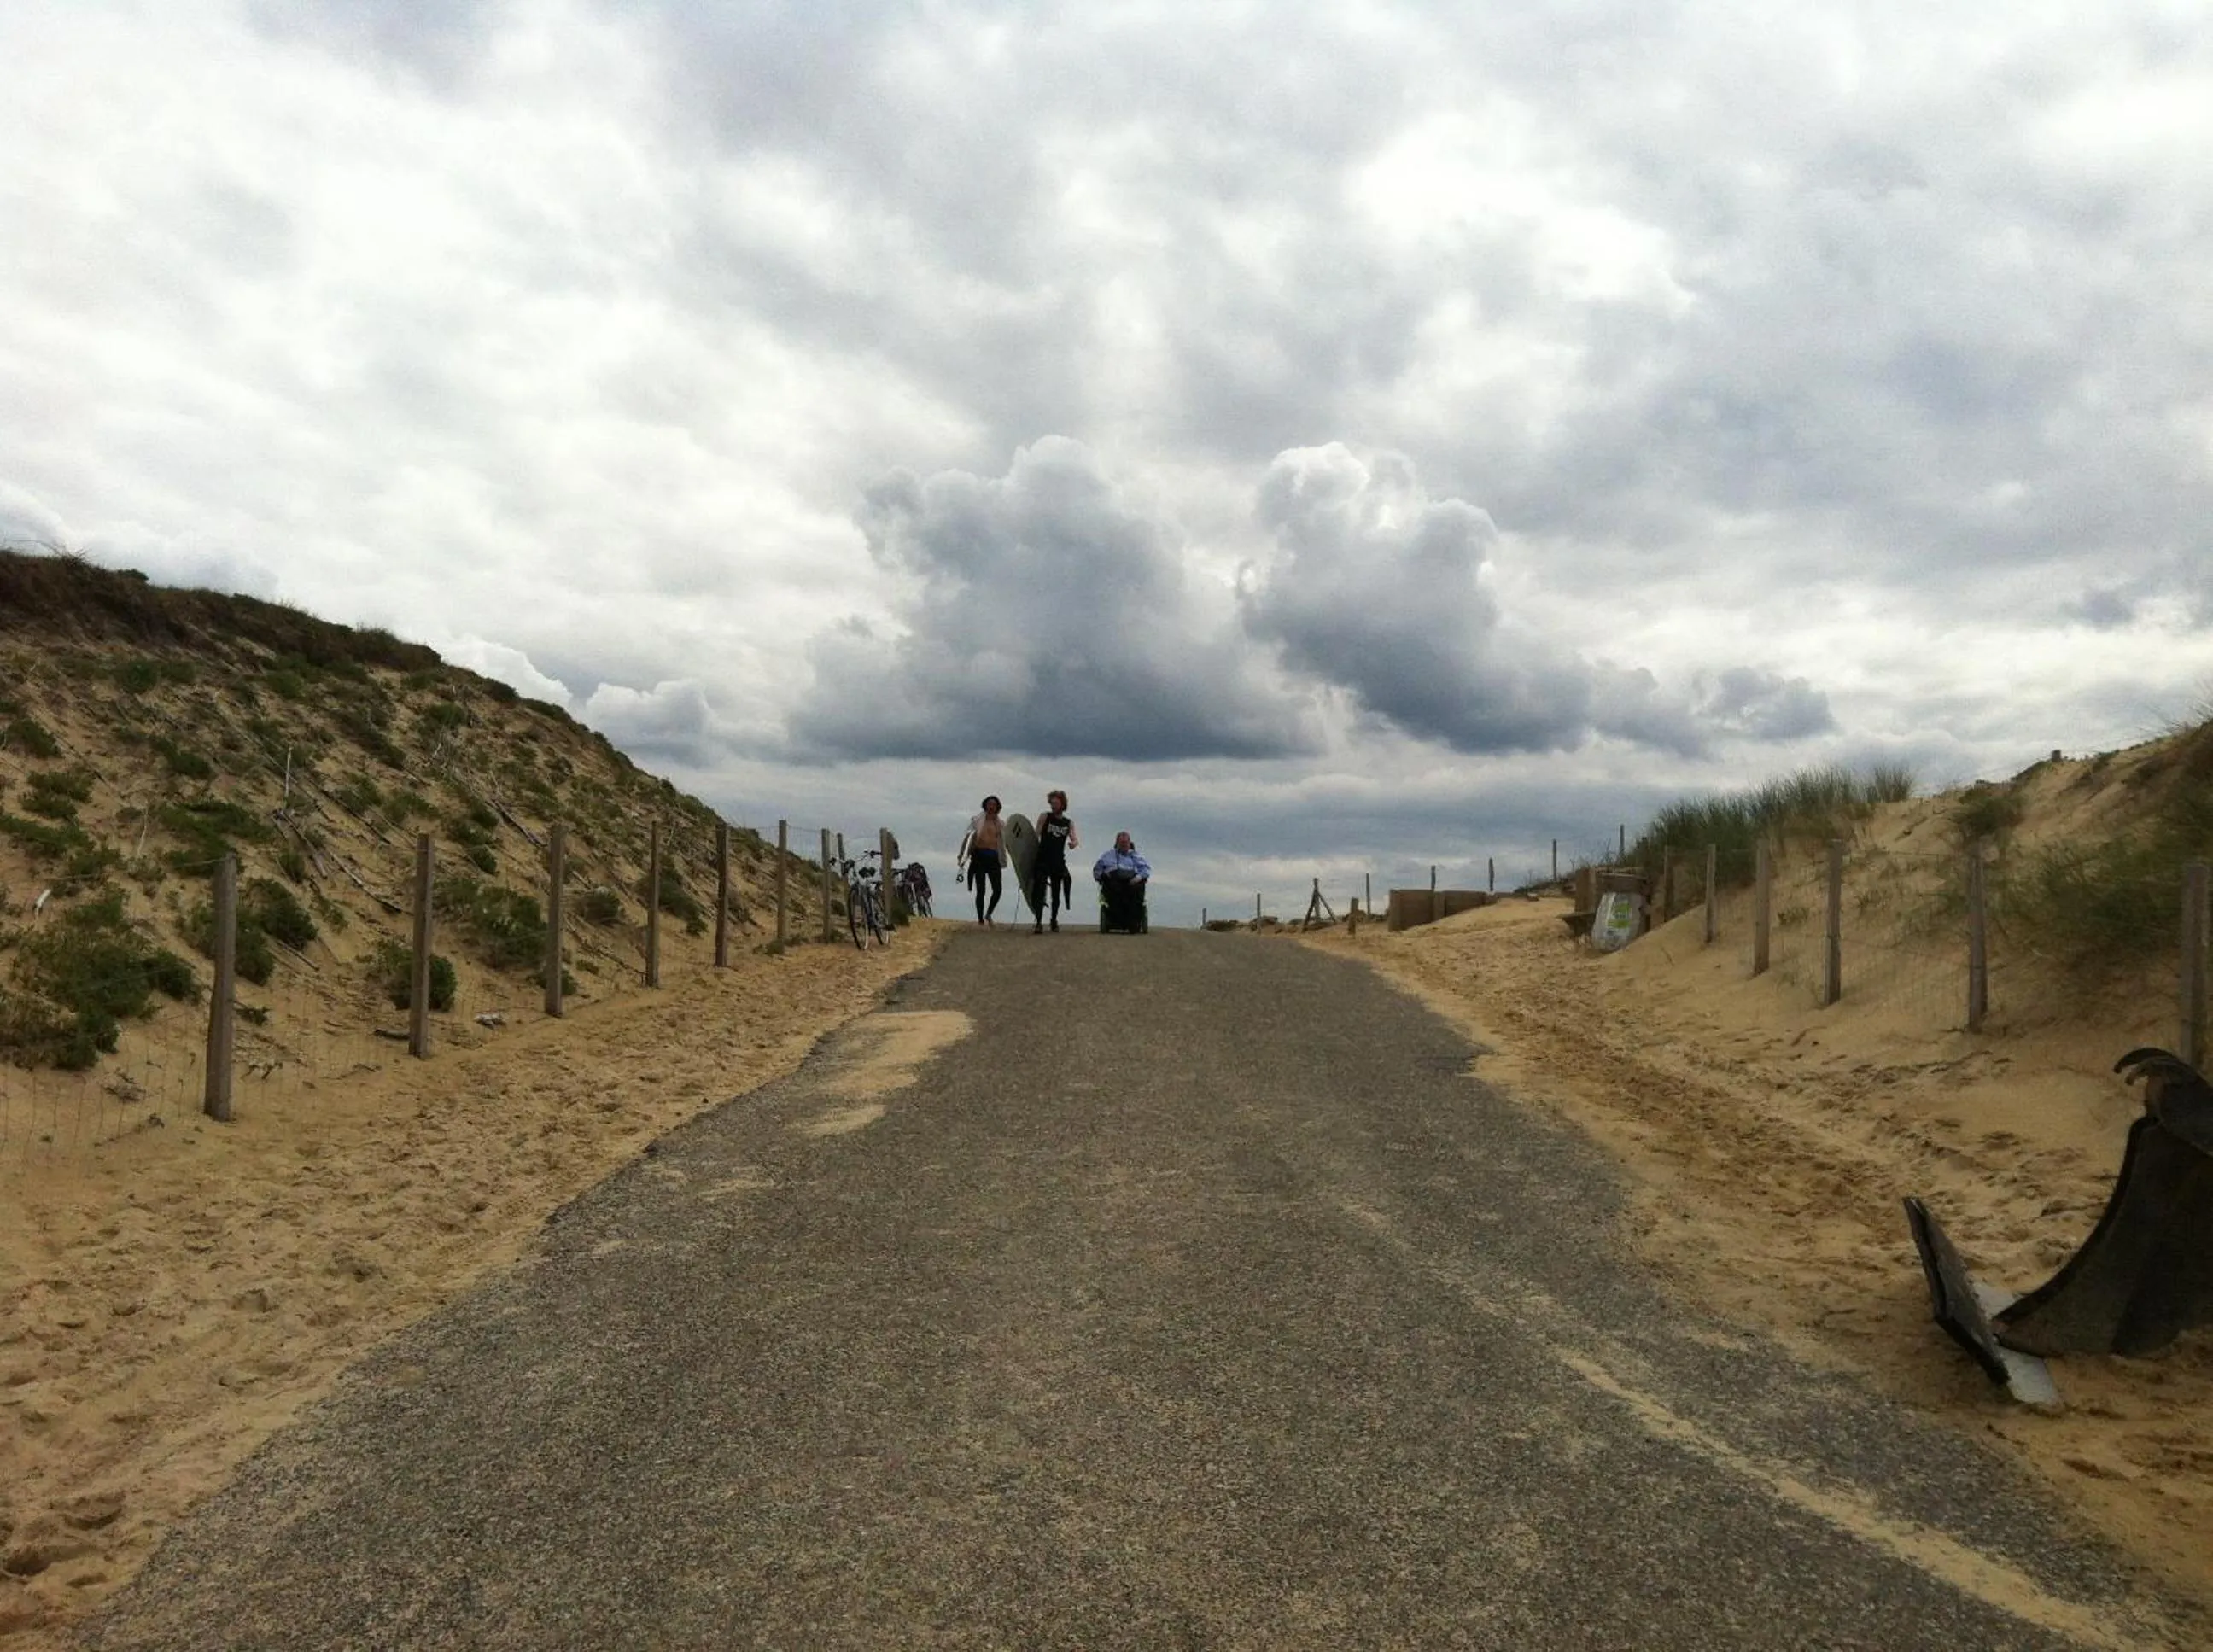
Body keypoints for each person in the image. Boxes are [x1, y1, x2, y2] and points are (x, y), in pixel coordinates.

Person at [1031, 789, 1079, 934]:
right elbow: (1036, 835)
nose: (1053, 805)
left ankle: (1053, 919)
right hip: (1042, 859)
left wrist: (1074, 844)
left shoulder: (1068, 822)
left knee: (1056, 892)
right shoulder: (1045, 816)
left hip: (1058, 861)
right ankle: (1039, 921)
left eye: (1056, 803)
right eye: (1051, 803)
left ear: (1062, 804)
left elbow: (1074, 838)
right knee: (1039, 890)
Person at [957, 795, 1007, 927]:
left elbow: (1006, 842)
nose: (991, 807)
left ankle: (989, 913)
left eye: (994, 804)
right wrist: (962, 858)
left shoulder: (1001, 824)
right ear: (985, 805)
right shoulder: (976, 820)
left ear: (997, 807)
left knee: (998, 889)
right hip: (979, 856)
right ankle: (980, 918)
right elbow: (968, 838)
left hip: (994, 858)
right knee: (981, 890)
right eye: (989, 804)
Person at [1092, 830, 1150, 929]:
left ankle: (1134, 921)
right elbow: (1097, 870)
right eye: (1121, 843)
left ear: (1129, 843)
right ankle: (1115, 918)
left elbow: (1146, 869)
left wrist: (1138, 877)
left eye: (1126, 843)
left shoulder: (1135, 856)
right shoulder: (1107, 856)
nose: (1124, 845)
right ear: (1117, 843)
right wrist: (1102, 875)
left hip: (1132, 882)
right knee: (1113, 888)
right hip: (1114, 882)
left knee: (1137, 889)